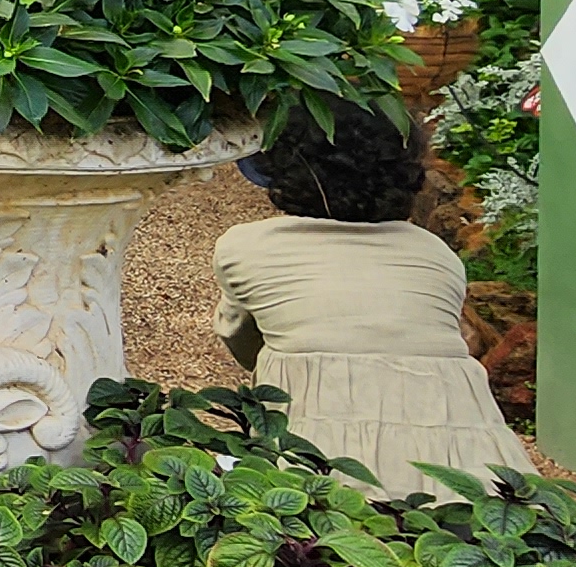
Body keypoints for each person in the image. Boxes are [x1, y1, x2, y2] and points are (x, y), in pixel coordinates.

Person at [212, 107, 535, 498]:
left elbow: (243, 343)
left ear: (284, 166)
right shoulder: (437, 255)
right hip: (468, 471)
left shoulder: (246, 248)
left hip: (318, 468)